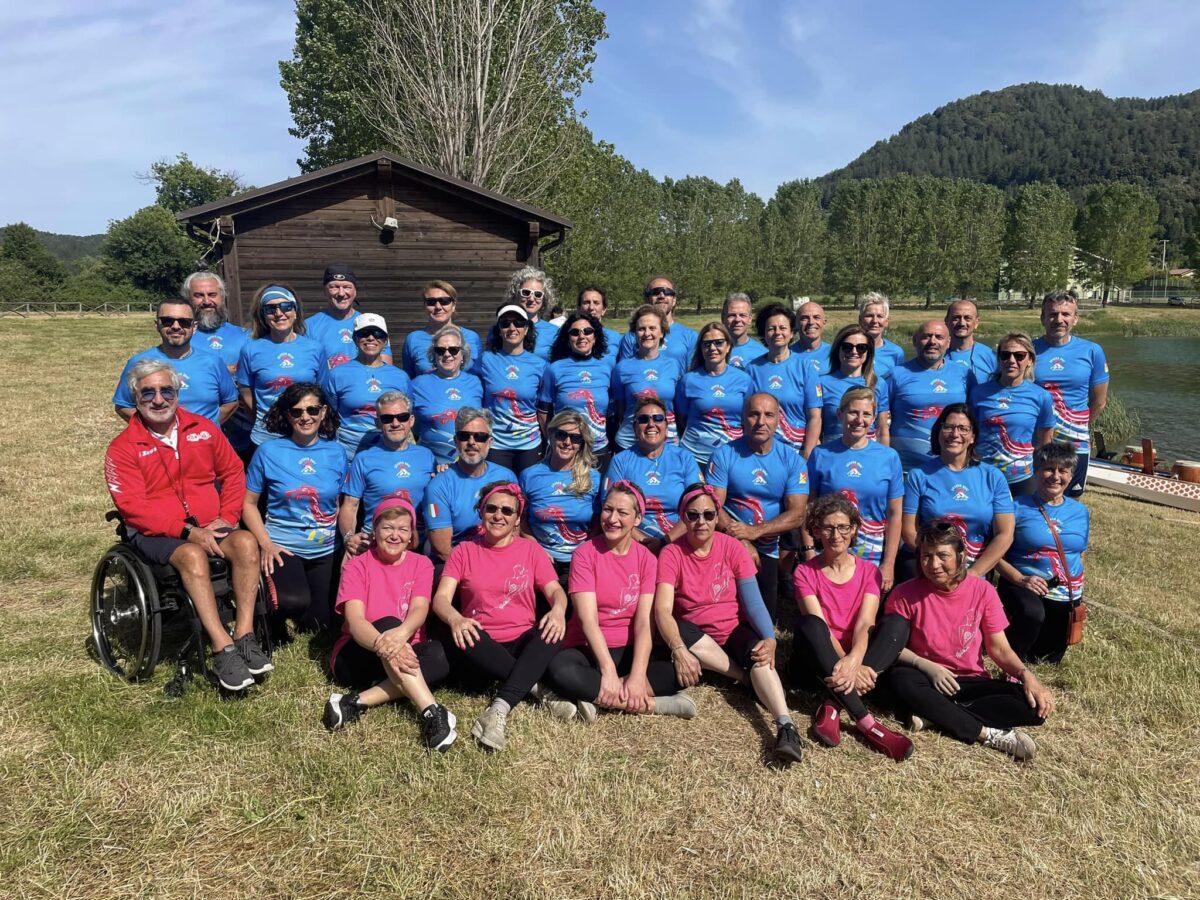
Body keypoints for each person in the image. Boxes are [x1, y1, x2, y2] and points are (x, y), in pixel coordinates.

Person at [104, 359, 271, 692]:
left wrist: (228, 516)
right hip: (157, 532)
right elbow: (133, 509)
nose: (158, 399)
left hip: (211, 522)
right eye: (147, 392)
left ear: (177, 393)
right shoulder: (122, 448)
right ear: (135, 398)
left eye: (166, 390)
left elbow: (234, 473)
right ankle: (222, 648)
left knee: (246, 544)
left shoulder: (204, 429)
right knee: (193, 555)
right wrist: (187, 531)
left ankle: (244, 634)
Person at [654, 484, 804, 765]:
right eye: (693, 515)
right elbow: (661, 610)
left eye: (709, 515)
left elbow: (754, 602)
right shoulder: (671, 554)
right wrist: (678, 649)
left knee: (760, 653)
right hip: (695, 634)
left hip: (732, 630)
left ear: (717, 516)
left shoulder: (732, 547)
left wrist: (770, 638)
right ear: (683, 517)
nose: (701, 522)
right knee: (680, 628)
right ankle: (743, 677)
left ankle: (786, 727)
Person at [886, 520, 1055, 761]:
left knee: (1033, 708)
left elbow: (998, 648)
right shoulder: (904, 593)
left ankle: (934, 715)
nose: (933, 565)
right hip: (926, 676)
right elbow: (891, 646)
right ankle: (985, 734)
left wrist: (1027, 675)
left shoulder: (983, 590)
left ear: (961, 555)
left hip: (969, 680)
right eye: (926, 556)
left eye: (942, 555)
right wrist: (927, 667)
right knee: (900, 680)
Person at [431, 482, 568, 751]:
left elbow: (555, 591)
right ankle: (538, 689)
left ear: (518, 519)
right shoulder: (464, 551)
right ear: (481, 512)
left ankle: (498, 709)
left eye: (507, 511)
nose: (498, 515)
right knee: (467, 634)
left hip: (520, 641)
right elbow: (441, 599)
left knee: (551, 630)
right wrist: (456, 619)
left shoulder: (531, 550)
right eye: (491, 508)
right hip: (480, 645)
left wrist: (559, 610)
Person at [545, 481, 697, 719]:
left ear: (637, 519)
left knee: (675, 671)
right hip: (590, 649)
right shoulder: (585, 554)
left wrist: (637, 675)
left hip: (628, 649)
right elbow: (588, 620)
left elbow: (645, 622)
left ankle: (600, 697)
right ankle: (654, 705)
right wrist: (607, 671)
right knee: (559, 669)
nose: (612, 518)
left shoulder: (647, 559)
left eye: (622, 512)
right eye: (608, 509)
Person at [322, 497, 458, 751]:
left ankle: (355, 702)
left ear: (411, 536)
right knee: (388, 622)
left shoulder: (421, 564)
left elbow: (419, 608)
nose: (395, 535)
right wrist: (387, 644)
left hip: (406, 651)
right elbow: (355, 620)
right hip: (358, 652)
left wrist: (401, 636)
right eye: (388, 528)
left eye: (403, 529)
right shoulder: (357, 566)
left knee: (439, 658)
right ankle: (432, 712)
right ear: (375, 530)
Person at [791, 495, 914, 761]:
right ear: (816, 530)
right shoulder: (804, 572)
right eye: (828, 527)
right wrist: (845, 665)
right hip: (821, 654)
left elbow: (865, 623)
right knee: (809, 625)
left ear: (854, 529)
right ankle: (866, 722)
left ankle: (833, 705)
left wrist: (855, 661)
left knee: (896, 623)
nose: (836, 534)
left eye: (843, 527)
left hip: (858, 655)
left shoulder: (870, 571)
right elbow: (820, 625)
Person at [241, 383, 347, 634]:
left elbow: (343, 503)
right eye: (297, 411)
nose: (305, 417)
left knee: (319, 626)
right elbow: (248, 503)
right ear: (287, 415)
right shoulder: (268, 451)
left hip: (326, 549)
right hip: (283, 548)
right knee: (291, 602)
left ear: (323, 412)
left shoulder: (337, 452)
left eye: (312, 410)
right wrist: (265, 544)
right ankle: (269, 610)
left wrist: (347, 541)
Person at [707, 393, 809, 622]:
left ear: (779, 420)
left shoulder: (792, 460)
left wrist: (755, 532)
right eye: (754, 414)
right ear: (743, 418)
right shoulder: (724, 454)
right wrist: (741, 540)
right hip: (727, 540)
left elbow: (797, 514)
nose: (761, 421)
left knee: (763, 620)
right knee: (724, 615)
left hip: (768, 545)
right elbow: (712, 505)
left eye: (768, 415)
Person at [996, 442, 1089, 663]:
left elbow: (1080, 553)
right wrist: (1020, 579)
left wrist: (1076, 590)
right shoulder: (1015, 507)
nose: (1055, 476)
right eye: (1048, 469)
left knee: (1048, 658)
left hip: (1066, 596)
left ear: (1071, 475)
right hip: (1025, 587)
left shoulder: (1081, 512)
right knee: (1030, 622)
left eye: (1063, 471)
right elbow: (994, 554)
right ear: (1036, 471)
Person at [806, 387, 905, 592]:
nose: (859, 420)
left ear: (874, 418)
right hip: (829, 545)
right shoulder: (820, 454)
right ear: (840, 414)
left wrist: (889, 563)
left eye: (866, 414)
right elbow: (808, 508)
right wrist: (809, 553)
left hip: (871, 548)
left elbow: (895, 515)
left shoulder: (889, 457)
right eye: (853, 412)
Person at [902, 404, 1014, 580]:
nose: (955, 434)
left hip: (976, 569)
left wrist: (974, 573)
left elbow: (1005, 534)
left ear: (972, 437)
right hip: (930, 567)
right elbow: (909, 530)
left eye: (963, 429)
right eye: (948, 427)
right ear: (939, 432)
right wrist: (936, 564)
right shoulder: (919, 476)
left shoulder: (992, 476)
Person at [113, 298, 238, 427]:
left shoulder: (213, 362)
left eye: (184, 322)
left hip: (204, 443)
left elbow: (231, 403)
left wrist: (207, 429)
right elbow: (123, 406)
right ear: (157, 325)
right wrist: (153, 431)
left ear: (194, 327)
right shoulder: (138, 363)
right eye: (168, 321)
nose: (176, 327)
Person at [339, 391, 437, 556]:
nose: (395, 423)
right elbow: (350, 505)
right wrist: (349, 538)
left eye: (402, 417)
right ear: (378, 423)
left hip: (416, 545)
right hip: (376, 544)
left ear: (411, 420)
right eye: (387, 418)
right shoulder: (364, 459)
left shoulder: (427, 456)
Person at [1033, 289, 1109, 497]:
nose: (1059, 319)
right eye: (1053, 314)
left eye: (1066, 314)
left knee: (1069, 503)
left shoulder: (1092, 351)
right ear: (1043, 318)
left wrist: (1079, 426)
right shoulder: (1028, 350)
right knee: (1032, 501)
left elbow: (1099, 402)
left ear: (1075, 319)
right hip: (1036, 442)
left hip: (1074, 442)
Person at [604, 396, 702, 552]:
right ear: (635, 427)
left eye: (658, 418)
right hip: (633, 543)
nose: (651, 424)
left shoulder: (684, 459)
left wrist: (665, 541)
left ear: (666, 425)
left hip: (678, 542)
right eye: (643, 419)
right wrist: (644, 542)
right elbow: (609, 509)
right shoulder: (620, 461)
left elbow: (698, 506)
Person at [236, 284, 326, 448]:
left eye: (286, 307)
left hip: (306, 434)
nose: (279, 313)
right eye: (270, 309)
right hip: (266, 436)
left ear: (295, 310)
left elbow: (322, 389)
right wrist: (264, 419)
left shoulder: (315, 348)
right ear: (263, 314)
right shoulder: (250, 349)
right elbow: (245, 390)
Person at [425, 409, 517, 564]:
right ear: (455, 441)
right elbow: (442, 549)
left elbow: (515, 530)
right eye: (464, 436)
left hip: (499, 560)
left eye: (480, 437)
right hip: (456, 564)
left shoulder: (507, 477)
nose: (472, 442)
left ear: (490, 442)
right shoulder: (438, 486)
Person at [969, 332, 1055, 495]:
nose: (1011, 361)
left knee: (1021, 521)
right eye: (1005, 355)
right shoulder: (979, 393)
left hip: (1021, 478)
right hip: (982, 475)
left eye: (1019, 356)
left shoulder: (1041, 396)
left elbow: (1044, 442)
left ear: (1030, 360)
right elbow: (970, 433)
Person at [520, 410, 601, 581]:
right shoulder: (529, 475)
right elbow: (520, 520)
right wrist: (536, 550)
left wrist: (586, 551)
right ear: (550, 435)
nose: (567, 442)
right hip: (540, 559)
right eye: (561, 435)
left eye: (575, 438)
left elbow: (598, 520)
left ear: (582, 443)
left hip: (581, 560)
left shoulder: (593, 477)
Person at [320, 313, 411, 460]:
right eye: (364, 333)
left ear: (385, 340)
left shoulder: (401, 377)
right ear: (355, 338)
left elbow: (407, 417)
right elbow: (329, 417)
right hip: (348, 453)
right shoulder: (337, 374)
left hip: (389, 452)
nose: (371, 338)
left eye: (377, 334)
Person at [888, 320, 970, 470]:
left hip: (950, 466)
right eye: (926, 336)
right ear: (915, 340)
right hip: (906, 467)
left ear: (948, 342)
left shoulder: (964, 374)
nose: (932, 341)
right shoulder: (896, 374)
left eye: (939, 337)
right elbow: (881, 423)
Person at [185, 271, 253, 449]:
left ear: (222, 297)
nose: (207, 301)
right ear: (188, 299)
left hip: (242, 427)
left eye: (212, 294)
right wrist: (225, 370)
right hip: (196, 429)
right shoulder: (181, 338)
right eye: (199, 295)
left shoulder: (244, 335)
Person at [478, 304, 547, 475]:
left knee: (528, 493)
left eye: (518, 323)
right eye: (505, 323)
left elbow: (543, 409)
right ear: (499, 329)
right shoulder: (485, 360)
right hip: (496, 443)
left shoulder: (540, 365)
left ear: (526, 329)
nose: (512, 328)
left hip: (529, 444)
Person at [746, 303, 822, 455]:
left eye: (782, 328)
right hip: (762, 451)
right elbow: (747, 415)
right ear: (763, 333)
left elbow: (815, 416)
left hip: (796, 451)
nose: (777, 333)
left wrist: (807, 453)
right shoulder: (752, 369)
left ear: (792, 332)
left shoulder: (805, 368)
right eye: (771, 328)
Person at [539, 310, 613, 461]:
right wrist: (554, 441)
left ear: (595, 337)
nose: (582, 336)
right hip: (567, 449)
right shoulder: (554, 369)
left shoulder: (606, 368)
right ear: (568, 339)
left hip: (597, 448)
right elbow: (543, 413)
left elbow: (613, 412)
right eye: (575, 332)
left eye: (587, 331)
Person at [674, 321, 752, 467]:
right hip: (695, 457)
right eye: (707, 344)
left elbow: (747, 420)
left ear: (728, 346)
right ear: (701, 348)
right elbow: (681, 420)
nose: (713, 348)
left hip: (733, 456)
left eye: (719, 343)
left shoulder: (744, 379)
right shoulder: (688, 380)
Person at [411, 324, 485, 466]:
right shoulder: (417, 384)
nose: (447, 354)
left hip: (469, 463)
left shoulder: (475, 382)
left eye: (453, 350)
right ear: (434, 354)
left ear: (463, 354)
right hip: (431, 464)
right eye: (440, 350)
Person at [612, 304, 683, 449]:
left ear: (662, 332)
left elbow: (679, 406)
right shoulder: (622, 368)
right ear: (635, 333)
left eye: (652, 328)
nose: (646, 333)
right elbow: (620, 409)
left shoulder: (673, 365)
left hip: (667, 441)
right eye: (641, 329)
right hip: (630, 443)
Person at [817, 324, 891, 445]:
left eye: (861, 347)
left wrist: (884, 458)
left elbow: (882, 430)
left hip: (867, 454)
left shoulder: (878, 384)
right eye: (847, 347)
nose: (854, 351)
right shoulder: (822, 383)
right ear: (838, 349)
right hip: (832, 452)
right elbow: (816, 429)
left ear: (869, 352)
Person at [305, 265, 390, 369]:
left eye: (347, 287)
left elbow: (386, 369)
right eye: (334, 287)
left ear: (355, 291)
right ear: (325, 291)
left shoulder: (371, 325)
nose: (341, 293)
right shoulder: (309, 326)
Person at [400, 280, 483, 377]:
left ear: (453, 305)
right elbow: (408, 379)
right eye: (431, 302)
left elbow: (479, 376)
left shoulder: (472, 337)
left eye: (444, 301)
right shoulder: (413, 339)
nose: (438, 307)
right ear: (425, 306)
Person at [617, 276, 698, 369]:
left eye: (667, 292)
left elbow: (693, 376)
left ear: (674, 300)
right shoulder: (631, 337)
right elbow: (624, 373)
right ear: (647, 299)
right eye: (655, 292)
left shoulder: (690, 337)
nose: (662, 296)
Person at [507, 266, 560, 360]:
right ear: (516, 294)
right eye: (526, 293)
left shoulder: (555, 332)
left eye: (538, 294)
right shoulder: (503, 328)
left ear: (544, 299)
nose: (531, 299)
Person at [946, 298, 998, 384]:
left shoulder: (991, 357)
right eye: (956, 318)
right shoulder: (936, 356)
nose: (962, 323)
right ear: (947, 321)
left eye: (967, 318)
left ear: (976, 323)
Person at [858, 292, 906, 376]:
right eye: (869, 315)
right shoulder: (848, 349)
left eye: (880, 316)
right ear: (860, 320)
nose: (874, 321)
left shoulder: (896, 352)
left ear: (886, 322)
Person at [576, 285, 621, 366]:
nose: (591, 307)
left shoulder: (616, 339)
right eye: (586, 302)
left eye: (596, 303)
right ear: (579, 308)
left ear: (604, 310)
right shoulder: (570, 338)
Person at [722, 292, 766, 369]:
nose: (737, 319)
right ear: (723, 318)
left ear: (750, 319)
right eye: (732, 315)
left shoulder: (762, 353)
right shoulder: (712, 351)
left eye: (742, 315)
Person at [793, 299, 831, 378]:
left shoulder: (835, 353)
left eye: (816, 317)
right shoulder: (787, 355)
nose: (811, 322)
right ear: (796, 323)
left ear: (824, 322)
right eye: (804, 318)